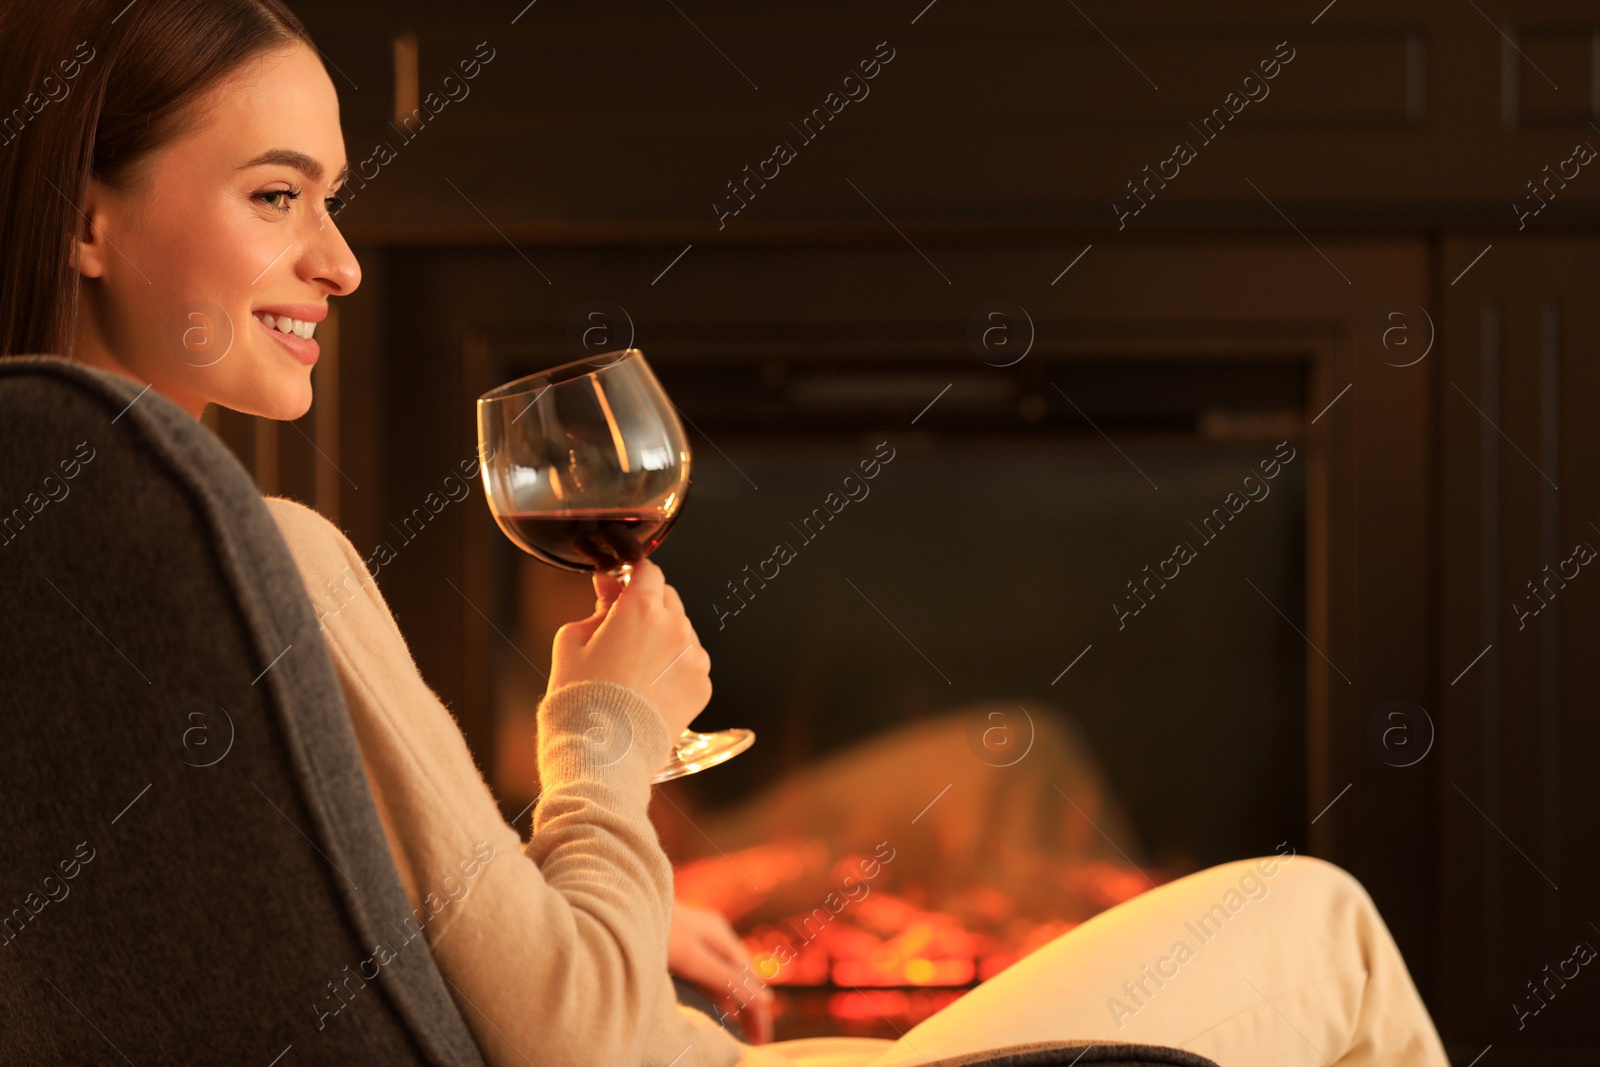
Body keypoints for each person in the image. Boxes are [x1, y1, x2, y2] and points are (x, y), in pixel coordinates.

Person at [0, 2, 1452, 1065]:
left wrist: (569, 907)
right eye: (275, 197)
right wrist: (603, 739)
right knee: (1319, 923)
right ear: (87, 221)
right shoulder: (259, 553)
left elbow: (343, 918)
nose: (344, 260)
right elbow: (581, 1052)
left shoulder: (62, 555)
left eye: (332, 197)